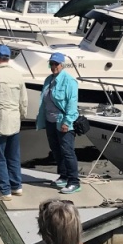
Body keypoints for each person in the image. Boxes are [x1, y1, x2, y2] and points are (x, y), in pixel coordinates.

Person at [0, 45, 28, 201]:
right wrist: (21, 116)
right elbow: (24, 101)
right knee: (13, 156)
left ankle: (3, 190)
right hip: (14, 122)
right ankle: (16, 186)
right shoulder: (18, 75)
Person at [35, 52, 81, 195]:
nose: (53, 66)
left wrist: (67, 122)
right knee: (56, 149)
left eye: (56, 64)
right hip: (50, 120)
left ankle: (74, 181)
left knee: (67, 151)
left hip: (63, 121)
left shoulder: (69, 81)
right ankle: (64, 175)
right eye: (51, 64)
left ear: (62, 65)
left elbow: (72, 104)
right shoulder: (49, 79)